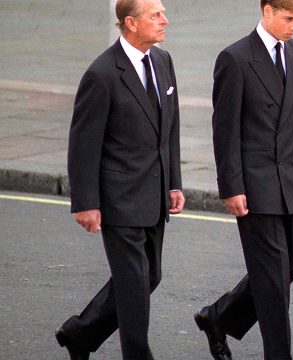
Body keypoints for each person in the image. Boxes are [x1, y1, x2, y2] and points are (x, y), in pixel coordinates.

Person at [55, 0, 184, 359]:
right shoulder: (102, 73)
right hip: (119, 197)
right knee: (132, 285)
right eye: (155, 15)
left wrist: (174, 181)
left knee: (149, 277)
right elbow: (83, 143)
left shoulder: (162, 61)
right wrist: (86, 203)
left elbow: (169, 129)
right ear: (130, 23)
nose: (165, 20)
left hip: (154, 192)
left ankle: (80, 334)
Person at [192, 1, 293, 359]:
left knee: (292, 264)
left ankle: (218, 317)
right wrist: (231, 187)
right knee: (274, 281)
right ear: (267, 10)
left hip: (290, 178)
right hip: (254, 183)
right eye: (289, 19)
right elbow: (224, 130)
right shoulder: (235, 58)